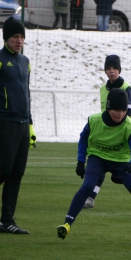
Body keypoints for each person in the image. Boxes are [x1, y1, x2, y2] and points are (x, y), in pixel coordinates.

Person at [57, 88, 131, 241]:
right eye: (116, 109)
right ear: (108, 107)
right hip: (97, 158)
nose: (120, 113)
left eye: (123, 109)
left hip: (121, 161)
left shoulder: (130, 125)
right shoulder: (94, 121)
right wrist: (80, 162)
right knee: (87, 186)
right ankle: (66, 225)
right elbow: (83, 140)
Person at [83, 55, 131, 209]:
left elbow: (128, 111)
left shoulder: (126, 88)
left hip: (124, 132)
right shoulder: (103, 89)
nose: (111, 71)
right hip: (106, 132)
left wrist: (122, 130)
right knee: (100, 161)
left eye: (114, 68)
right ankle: (90, 198)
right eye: (108, 68)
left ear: (119, 70)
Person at [0, 17, 36, 234]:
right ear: (6, 38)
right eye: (15, 36)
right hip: (5, 121)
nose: (19, 40)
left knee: (16, 173)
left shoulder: (25, 62)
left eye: (22, 37)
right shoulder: (1, 59)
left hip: (22, 124)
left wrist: (30, 125)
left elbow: (27, 94)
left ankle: (6, 221)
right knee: (3, 169)